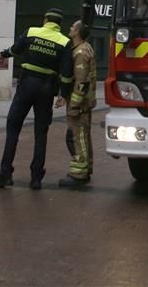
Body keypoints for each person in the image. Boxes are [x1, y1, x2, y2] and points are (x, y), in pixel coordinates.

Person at [0, 8, 74, 190]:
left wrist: (4, 54)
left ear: (45, 20)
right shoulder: (64, 42)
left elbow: (15, 49)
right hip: (46, 89)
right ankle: (36, 178)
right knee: (40, 133)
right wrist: (64, 94)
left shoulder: (31, 32)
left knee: (13, 129)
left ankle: (5, 174)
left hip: (26, 85)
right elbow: (67, 73)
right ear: (60, 25)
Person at [57, 20, 97, 188]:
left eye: (73, 27)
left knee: (78, 137)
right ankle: (85, 168)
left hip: (79, 103)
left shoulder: (80, 52)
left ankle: (78, 173)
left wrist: (73, 104)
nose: (70, 28)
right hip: (85, 102)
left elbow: (81, 82)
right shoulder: (87, 48)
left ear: (78, 32)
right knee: (84, 136)